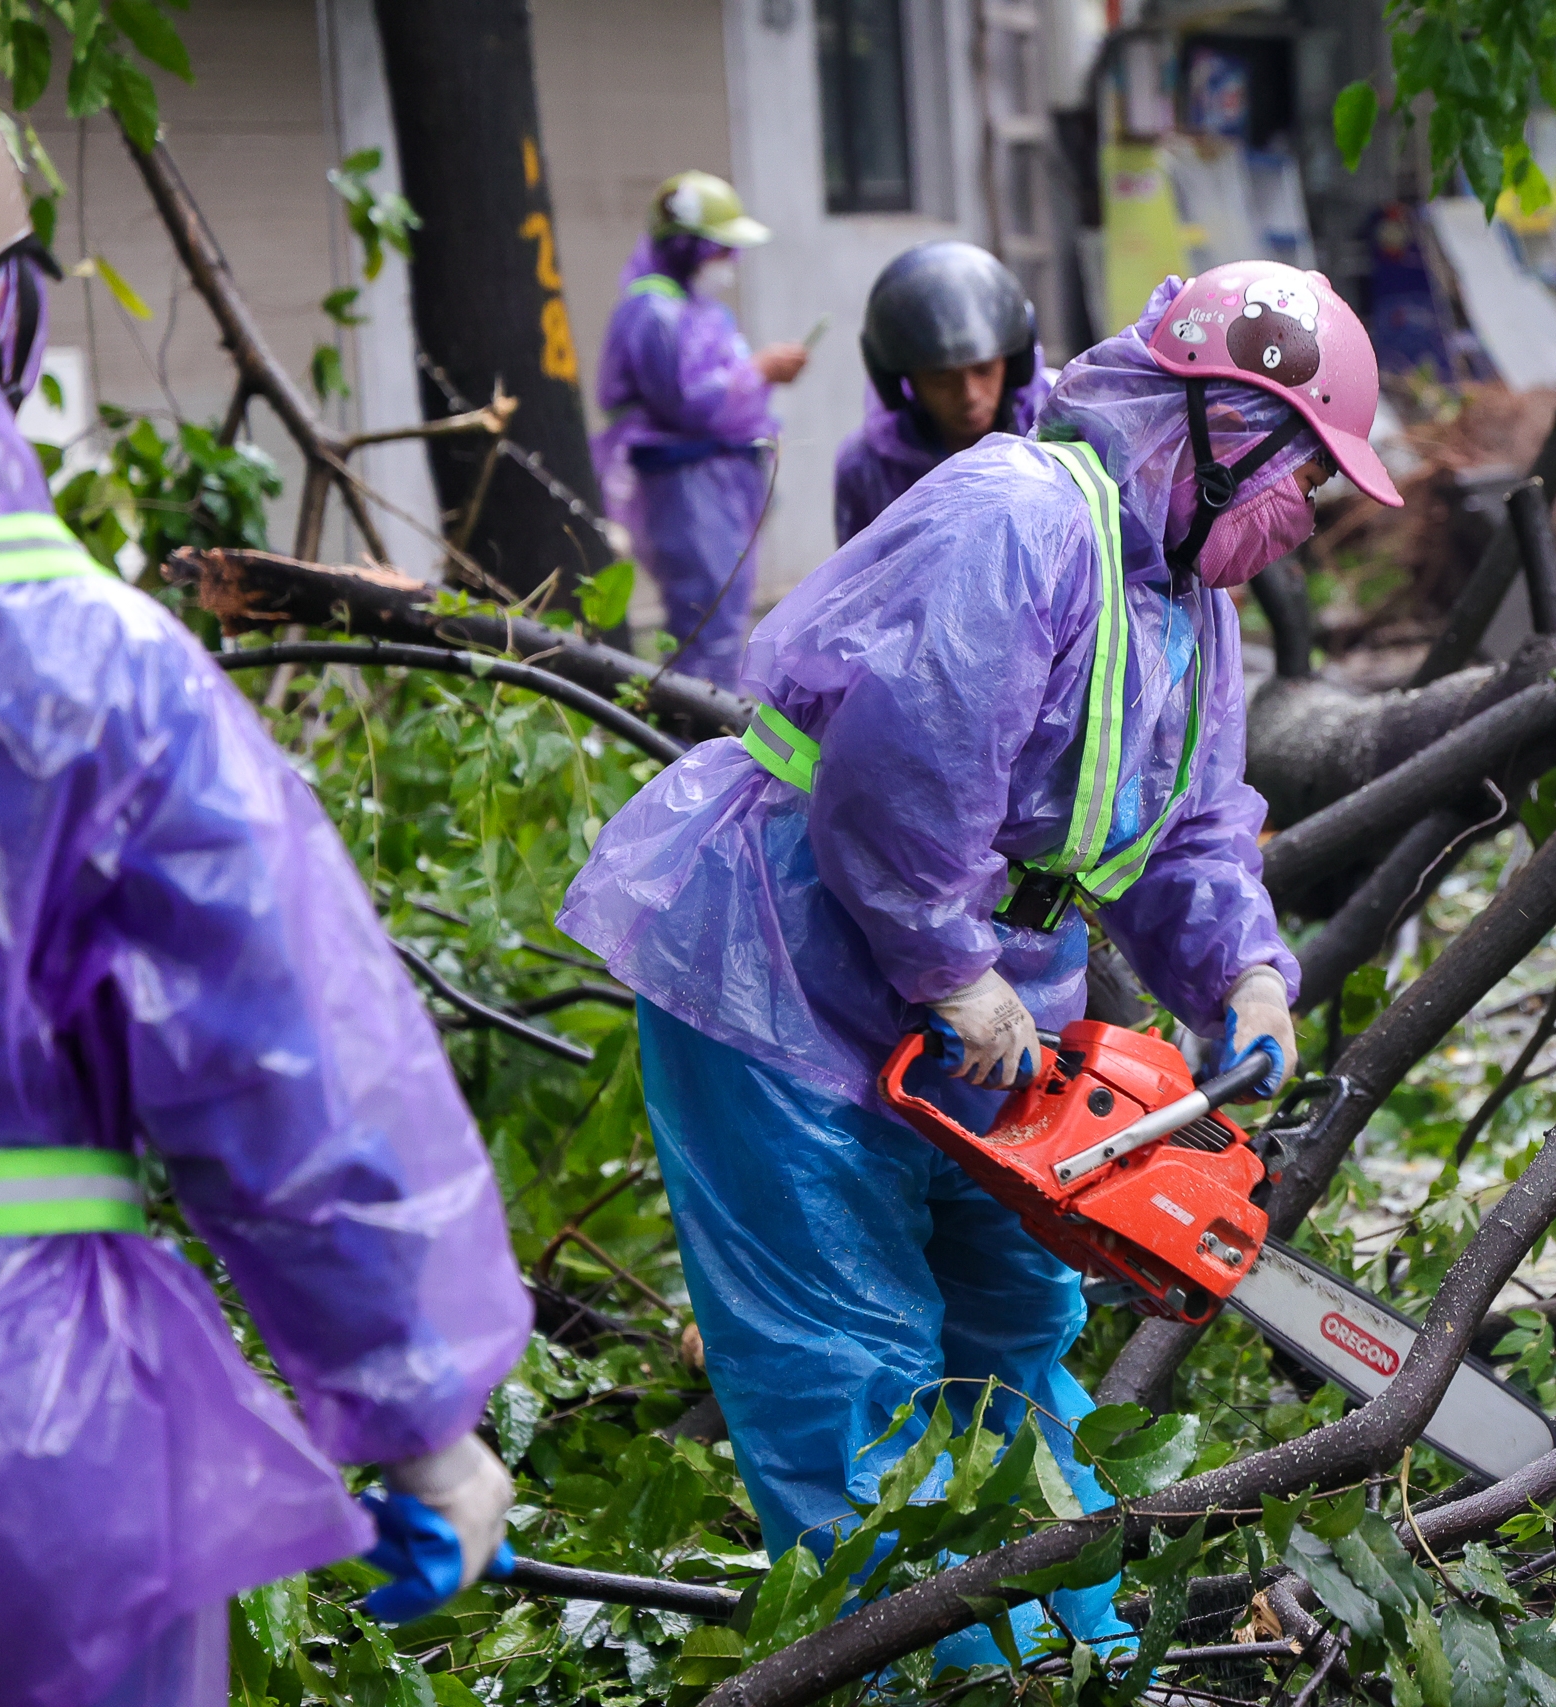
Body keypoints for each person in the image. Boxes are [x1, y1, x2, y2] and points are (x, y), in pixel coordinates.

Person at [561, 261, 1403, 1664]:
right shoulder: (1020, 517)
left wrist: (1241, 977)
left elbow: (1191, 824)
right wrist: (945, 957)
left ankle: (1072, 1658)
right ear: (1220, 424)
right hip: (793, 973)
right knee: (852, 1379)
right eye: (1302, 473)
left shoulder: (1188, 603)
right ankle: (924, 1679)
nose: (1299, 517)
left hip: (986, 1004)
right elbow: (908, 761)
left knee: (1015, 1332)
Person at [0, 136, 530, 1706]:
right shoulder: (93, 674)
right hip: (31, 1438)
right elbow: (284, 1058)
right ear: (10, 316)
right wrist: (417, 1418)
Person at [595, 171, 811, 687]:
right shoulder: (653, 312)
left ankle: (706, 737)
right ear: (687, 247)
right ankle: (688, 748)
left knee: (723, 617)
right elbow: (684, 403)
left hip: (711, 484)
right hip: (686, 487)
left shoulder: (691, 309)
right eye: (720, 249)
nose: (729, 263)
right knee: (704, 621)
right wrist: (758, 371)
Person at [830, 240, 1050, 548]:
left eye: (984, 370)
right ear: (902, 380)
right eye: (940, 379)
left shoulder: (1063, 425)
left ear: (1014, 363)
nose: (969, 394)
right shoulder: (868, 469)